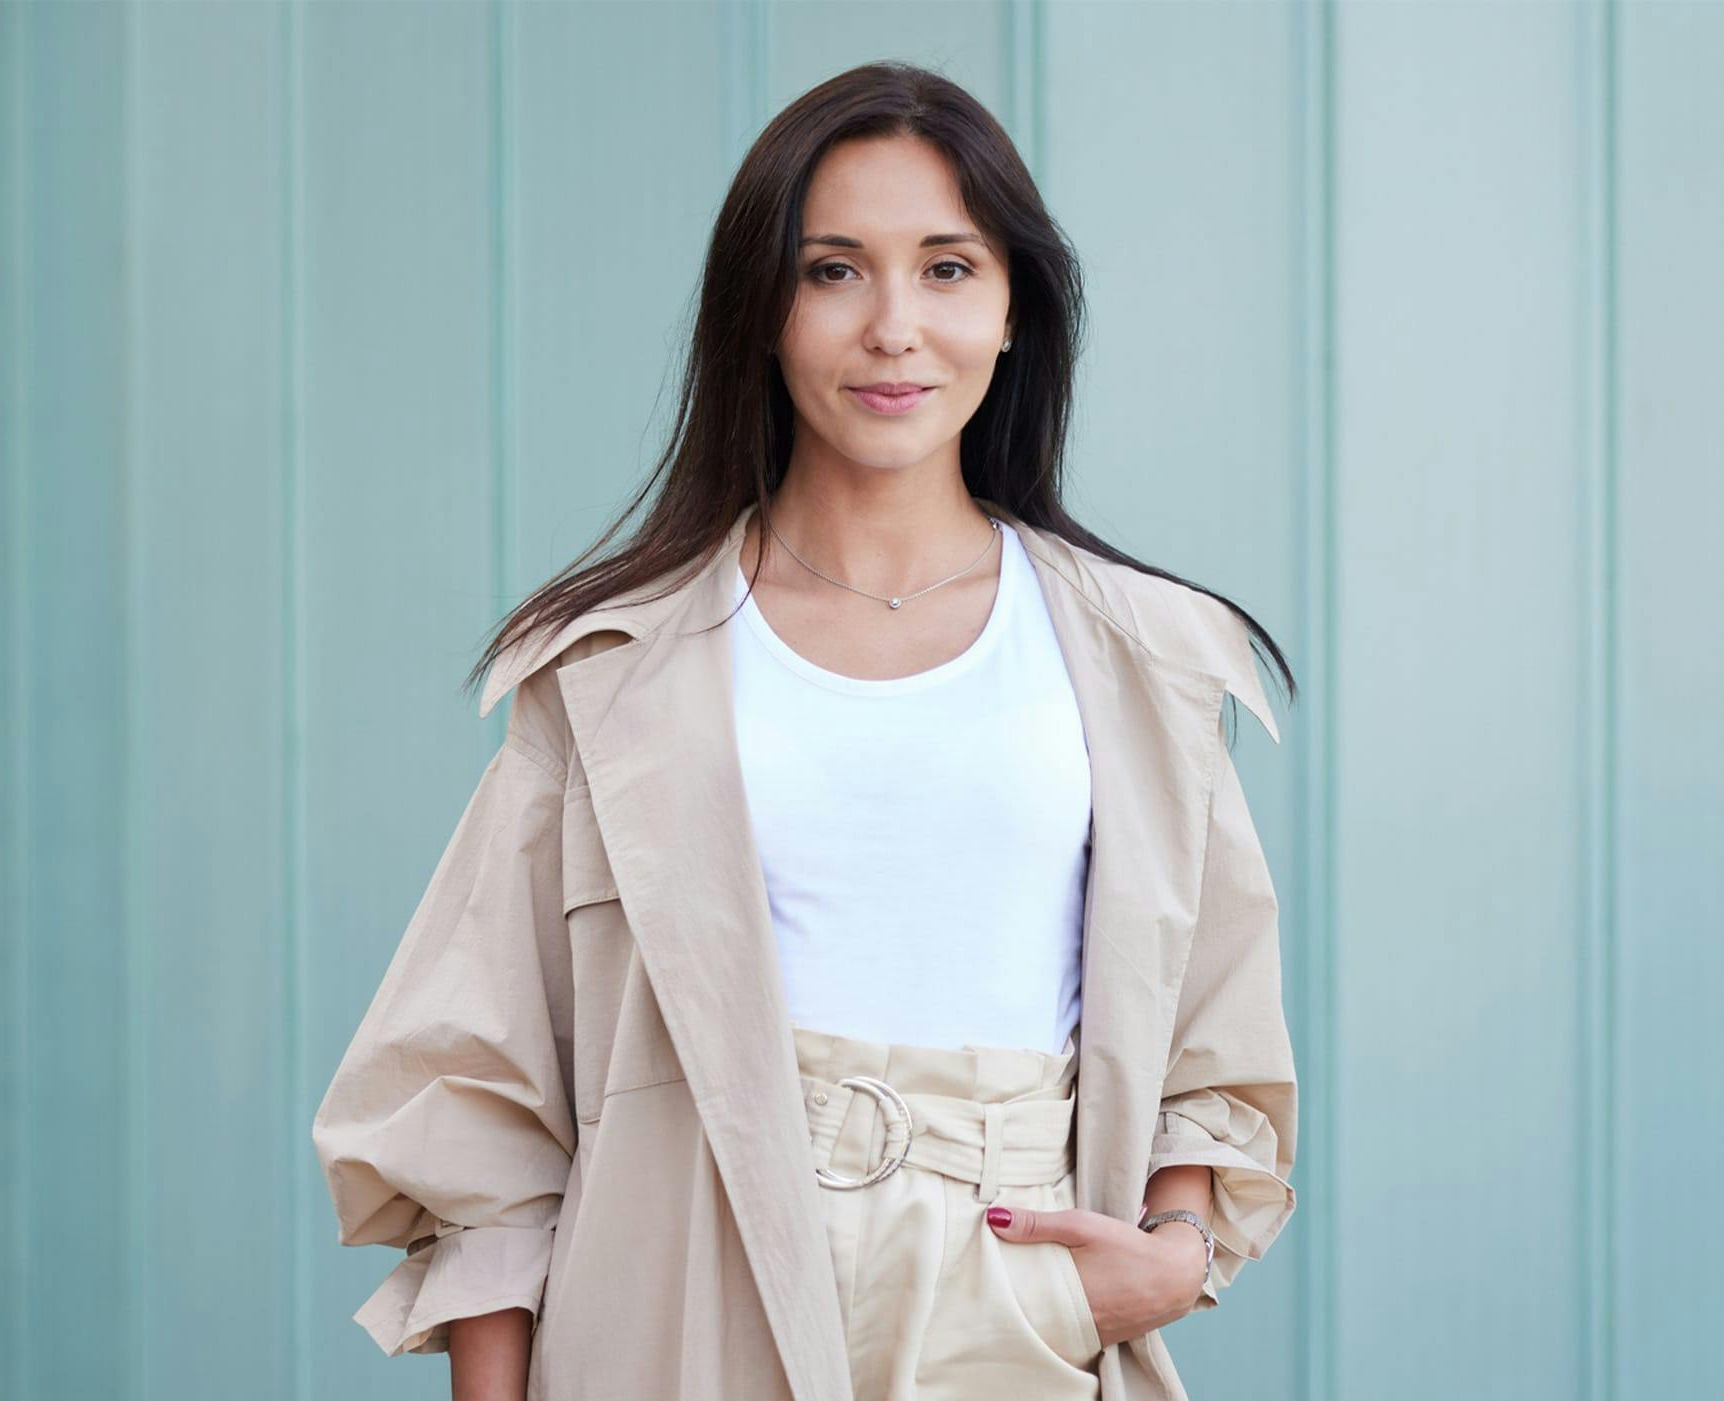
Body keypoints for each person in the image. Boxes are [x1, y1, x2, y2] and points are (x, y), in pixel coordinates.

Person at [312, 59, 1299, 1401]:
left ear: (1014, 308)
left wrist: (1170, 1256)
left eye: (947, 268)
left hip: (1026, 1296)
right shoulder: (610, 670)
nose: (893, 325)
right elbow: (480, 1105)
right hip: (679, 1291)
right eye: (834, 270)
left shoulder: (1145, 656)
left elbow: (1215, 1046)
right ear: (761, 314)